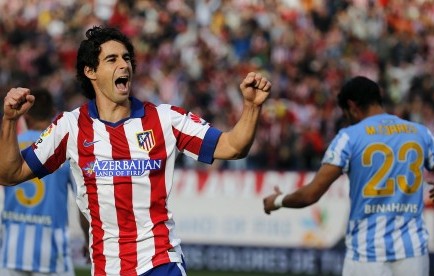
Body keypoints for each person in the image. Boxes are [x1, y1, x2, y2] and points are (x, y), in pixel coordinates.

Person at [0, 26, 271, 276]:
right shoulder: (70, 126)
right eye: (112, 59)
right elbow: (10, 174)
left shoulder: (166, 119)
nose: (124, 65)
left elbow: (233, 147)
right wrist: (10, 121)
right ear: (90, 71)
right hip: (108, 267)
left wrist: (252, 107)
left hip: (161, 262)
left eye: (126, 58)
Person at [263, 76, 434, 276]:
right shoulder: (421, 133)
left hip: (366, 253)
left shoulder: (349, 137)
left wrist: (278, 201)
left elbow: (310, 195)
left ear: (352, 106)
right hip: (413, 253)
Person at [0, 88, 89, 276]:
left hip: (12, 250)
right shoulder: (62, 152)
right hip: (52, 251)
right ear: (52, 115)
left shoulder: (9, 152)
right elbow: (83, 202)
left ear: (27, 117)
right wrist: (89, 239)